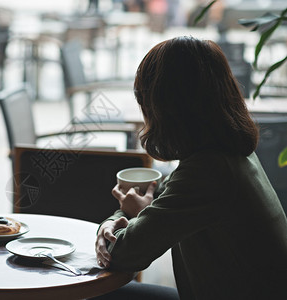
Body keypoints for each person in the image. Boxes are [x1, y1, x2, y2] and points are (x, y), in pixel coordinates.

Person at [94, 36, 287, 299]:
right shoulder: (228, 152)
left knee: (98, 293)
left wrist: (123, 221)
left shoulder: (208, 172)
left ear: (164, 107)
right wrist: (115, 221)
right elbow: (148, 209)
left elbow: (122, 254)